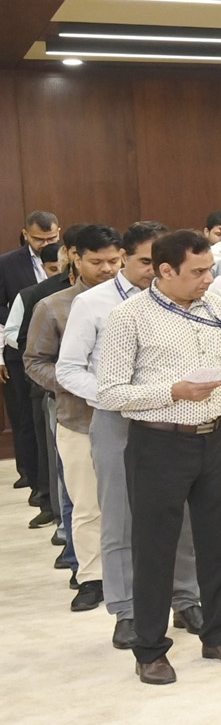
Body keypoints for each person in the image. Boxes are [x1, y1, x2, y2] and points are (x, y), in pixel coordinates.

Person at [94, 229, 221, 684]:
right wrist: (173, 391)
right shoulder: (129, 317)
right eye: (198, 272)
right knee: (154, 549)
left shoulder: (217, 308)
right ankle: (150, 648)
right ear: (165, 271)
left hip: (218, 438)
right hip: (158, 443)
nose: (210, 279)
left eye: (210, 269)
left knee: (219, 542)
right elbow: (110, 392)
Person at [60, 221, 203, 651]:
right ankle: (126, 609)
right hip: (117, 420)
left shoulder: (185, 302)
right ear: (125, 257)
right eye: (144, 262)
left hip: (176, 417)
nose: (152, 270)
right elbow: (68, 368)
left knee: (180, 515)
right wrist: (111, 397)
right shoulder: (93, 304)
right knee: (120, 515)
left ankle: (186, 597)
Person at [26, 224, 122, 610]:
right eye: (97, 262)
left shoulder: (139, 302)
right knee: (86, 504)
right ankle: (92, 577)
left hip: (138, 419)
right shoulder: (54, 306)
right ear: (73, 257)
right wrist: (77, 385)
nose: (107, 270)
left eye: (114, 261)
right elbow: (34, 362)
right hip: (79, 418)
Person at [3, 209, 62, 513]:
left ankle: (46, 487)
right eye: (39, 239)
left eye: (51, 237)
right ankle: (30, 475)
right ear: (26, 234)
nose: (45, 242)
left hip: (58, 356)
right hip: (19, 352)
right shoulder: (7, 264)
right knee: (25, 419)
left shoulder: (68, 261)